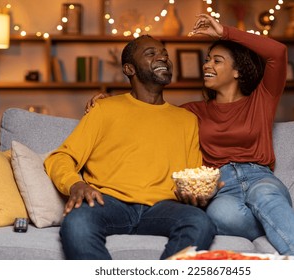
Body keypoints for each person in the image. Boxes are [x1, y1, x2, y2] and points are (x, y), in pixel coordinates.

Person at [86, 14, 294, 256]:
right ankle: (285, 223)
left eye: (217, 61)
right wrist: (109, 103)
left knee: (264, 195)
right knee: (220, 215)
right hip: (221, 186)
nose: (207, 65)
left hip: (258, 175)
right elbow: (149, 113)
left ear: (237, 71)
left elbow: (278, 53)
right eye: (207, 60)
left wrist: (224, 32)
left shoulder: (262, 99)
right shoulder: (191, 112)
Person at [44, 34, 216, 260]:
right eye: (151, 53)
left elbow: (192, 175)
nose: (163, 57)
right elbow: (60, 157)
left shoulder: (186, 119)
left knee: (200, 222)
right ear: (129, 69)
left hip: (163, 208)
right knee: (77, 221)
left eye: (164, 53)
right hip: (109, 203)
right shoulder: (104, 109)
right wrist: (75, 184)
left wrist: (198, 194)